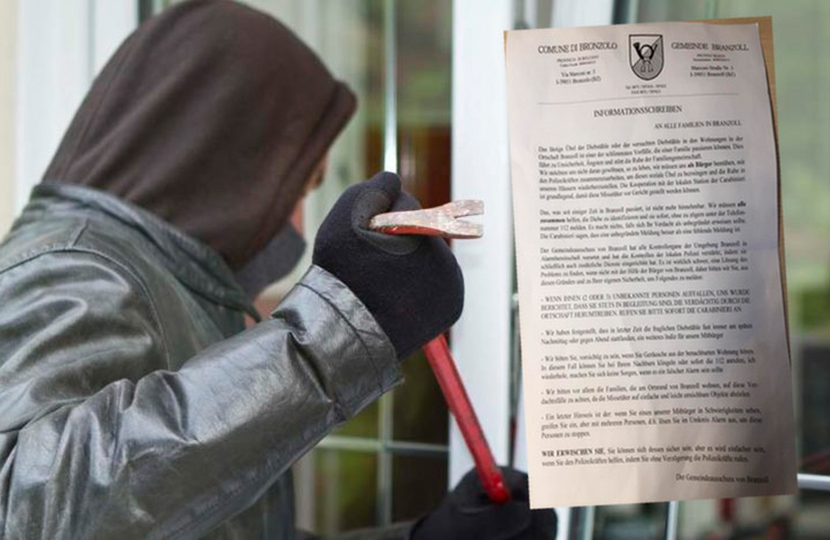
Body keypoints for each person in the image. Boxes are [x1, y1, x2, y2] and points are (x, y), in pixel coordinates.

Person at [0, 1, 555, 538]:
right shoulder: (75, 267)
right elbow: (30, 516)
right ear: (225, 158)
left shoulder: (170, 283)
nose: (298, 220)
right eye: (298, 188)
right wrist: (329, 337)